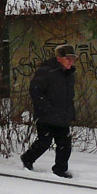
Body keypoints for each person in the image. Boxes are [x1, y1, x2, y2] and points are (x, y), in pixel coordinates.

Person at [21, 43, 78, 178]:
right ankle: (28, 158)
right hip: (46, 115)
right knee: (44, 142)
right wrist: (47, 108)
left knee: (65, 143)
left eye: (73, 58)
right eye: (68, 58)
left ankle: (60, 169)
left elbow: (69, 97)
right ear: (59, 58)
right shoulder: (46, 71)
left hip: (63, 116)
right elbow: (36, 91)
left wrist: (70, 112)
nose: (71, 61)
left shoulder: (69, 75)